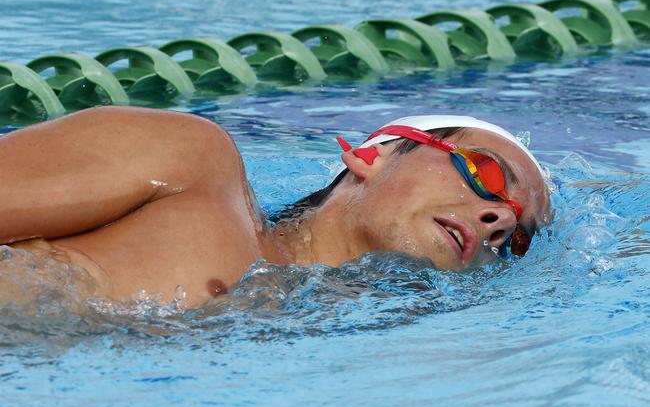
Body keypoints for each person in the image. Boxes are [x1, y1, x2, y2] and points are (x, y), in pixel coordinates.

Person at [0, 106, 550, 308]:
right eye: (487, 174)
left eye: (517, 239)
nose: (500, 218)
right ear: (371, 156)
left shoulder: (306, 334)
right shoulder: (189, 165)